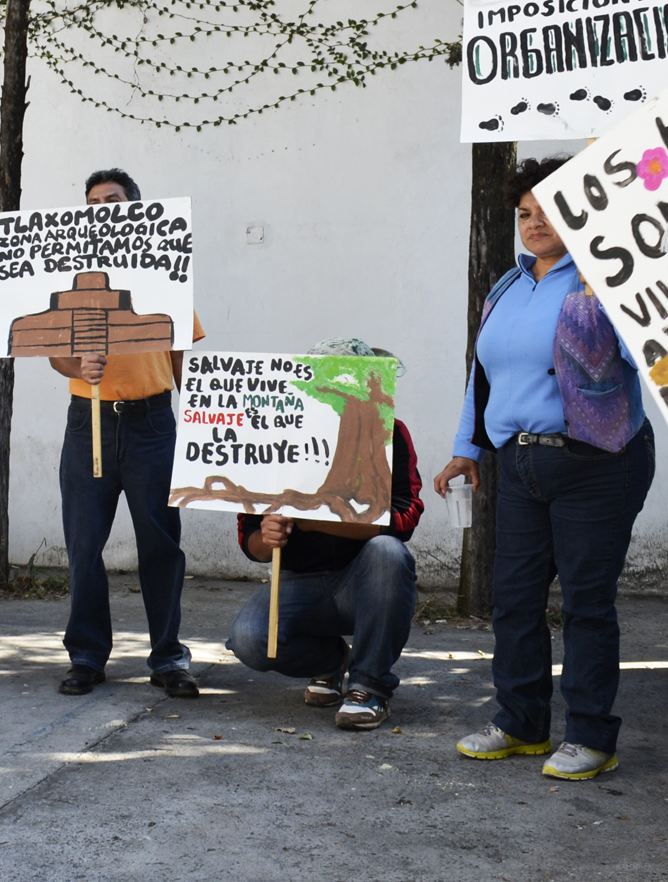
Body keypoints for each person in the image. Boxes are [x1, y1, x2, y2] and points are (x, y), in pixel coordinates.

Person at [432, 156, 653, 781]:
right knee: (514, 600)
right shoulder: (507, 286)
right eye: (525, 213)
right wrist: (467, 448)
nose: (534, 223)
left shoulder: (606, 278)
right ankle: (521, 722)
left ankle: (591, 735)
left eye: (549, 210)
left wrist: (620, 306)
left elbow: (653, 353)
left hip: (596, 461)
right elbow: (483, 375)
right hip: (521, 464)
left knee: (586, 604)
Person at [52, 168, 207, 699]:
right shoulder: (71, 279)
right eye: (93, 203)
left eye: (112, 200)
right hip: (88, 422)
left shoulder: (166, 274)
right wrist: (78, 366)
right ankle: (87, 656)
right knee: (83, 544)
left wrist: (195, 417)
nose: (102, 210)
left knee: (161, 544)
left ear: (135, 208)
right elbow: (54, 353)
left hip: (152, 423)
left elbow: (182, 352)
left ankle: (168, 658)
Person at [226, 343, 424, 730]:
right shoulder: (272, 434)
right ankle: (333, 662)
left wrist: (315, 521)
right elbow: (251, 542)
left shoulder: (390, 433)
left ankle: (369, 687)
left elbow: (404, 519)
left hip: (365, 580)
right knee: (250, 639)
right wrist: (267, 536)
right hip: (299, 581)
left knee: (388, 553)